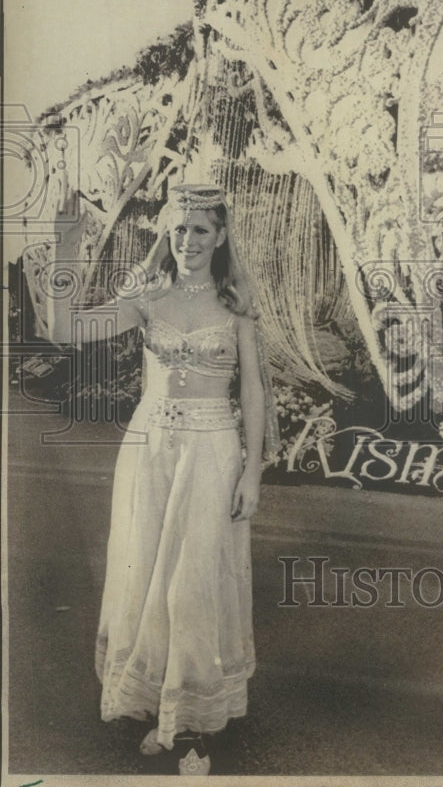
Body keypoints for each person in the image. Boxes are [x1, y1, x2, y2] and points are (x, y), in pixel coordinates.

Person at [45, 183, 279, 775]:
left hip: (213, 450)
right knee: (147, 572)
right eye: (178, 229)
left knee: (194, 581)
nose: (188, 240)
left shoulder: (236, 303)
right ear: (166, 235)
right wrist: (68, 250)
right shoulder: (148, 296)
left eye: (201, 229)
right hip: (149, 450)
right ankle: (156, 704)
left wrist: (252, 471)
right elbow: (64, 330)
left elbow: (251, 390)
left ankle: (193, 724)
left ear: (221, 235)